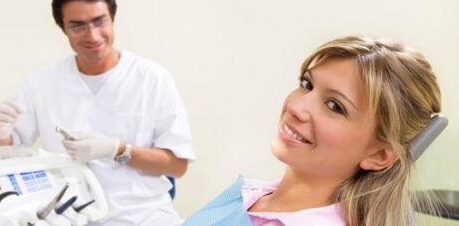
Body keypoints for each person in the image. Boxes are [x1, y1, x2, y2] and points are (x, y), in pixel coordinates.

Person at [0, 0, 196, 226]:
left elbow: (177, 165)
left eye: (99, 21)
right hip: (69, 219)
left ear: (113, 18)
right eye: (78, 26)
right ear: (63, 29)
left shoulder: (151, 79)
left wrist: (117, 150)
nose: (92, 36)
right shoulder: (41, 83)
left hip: (143, 218)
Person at [183, 35, 442, 226]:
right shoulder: (249, 195)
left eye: (335, 106)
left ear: (380, 155)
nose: (296, 106)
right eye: (307, 84)